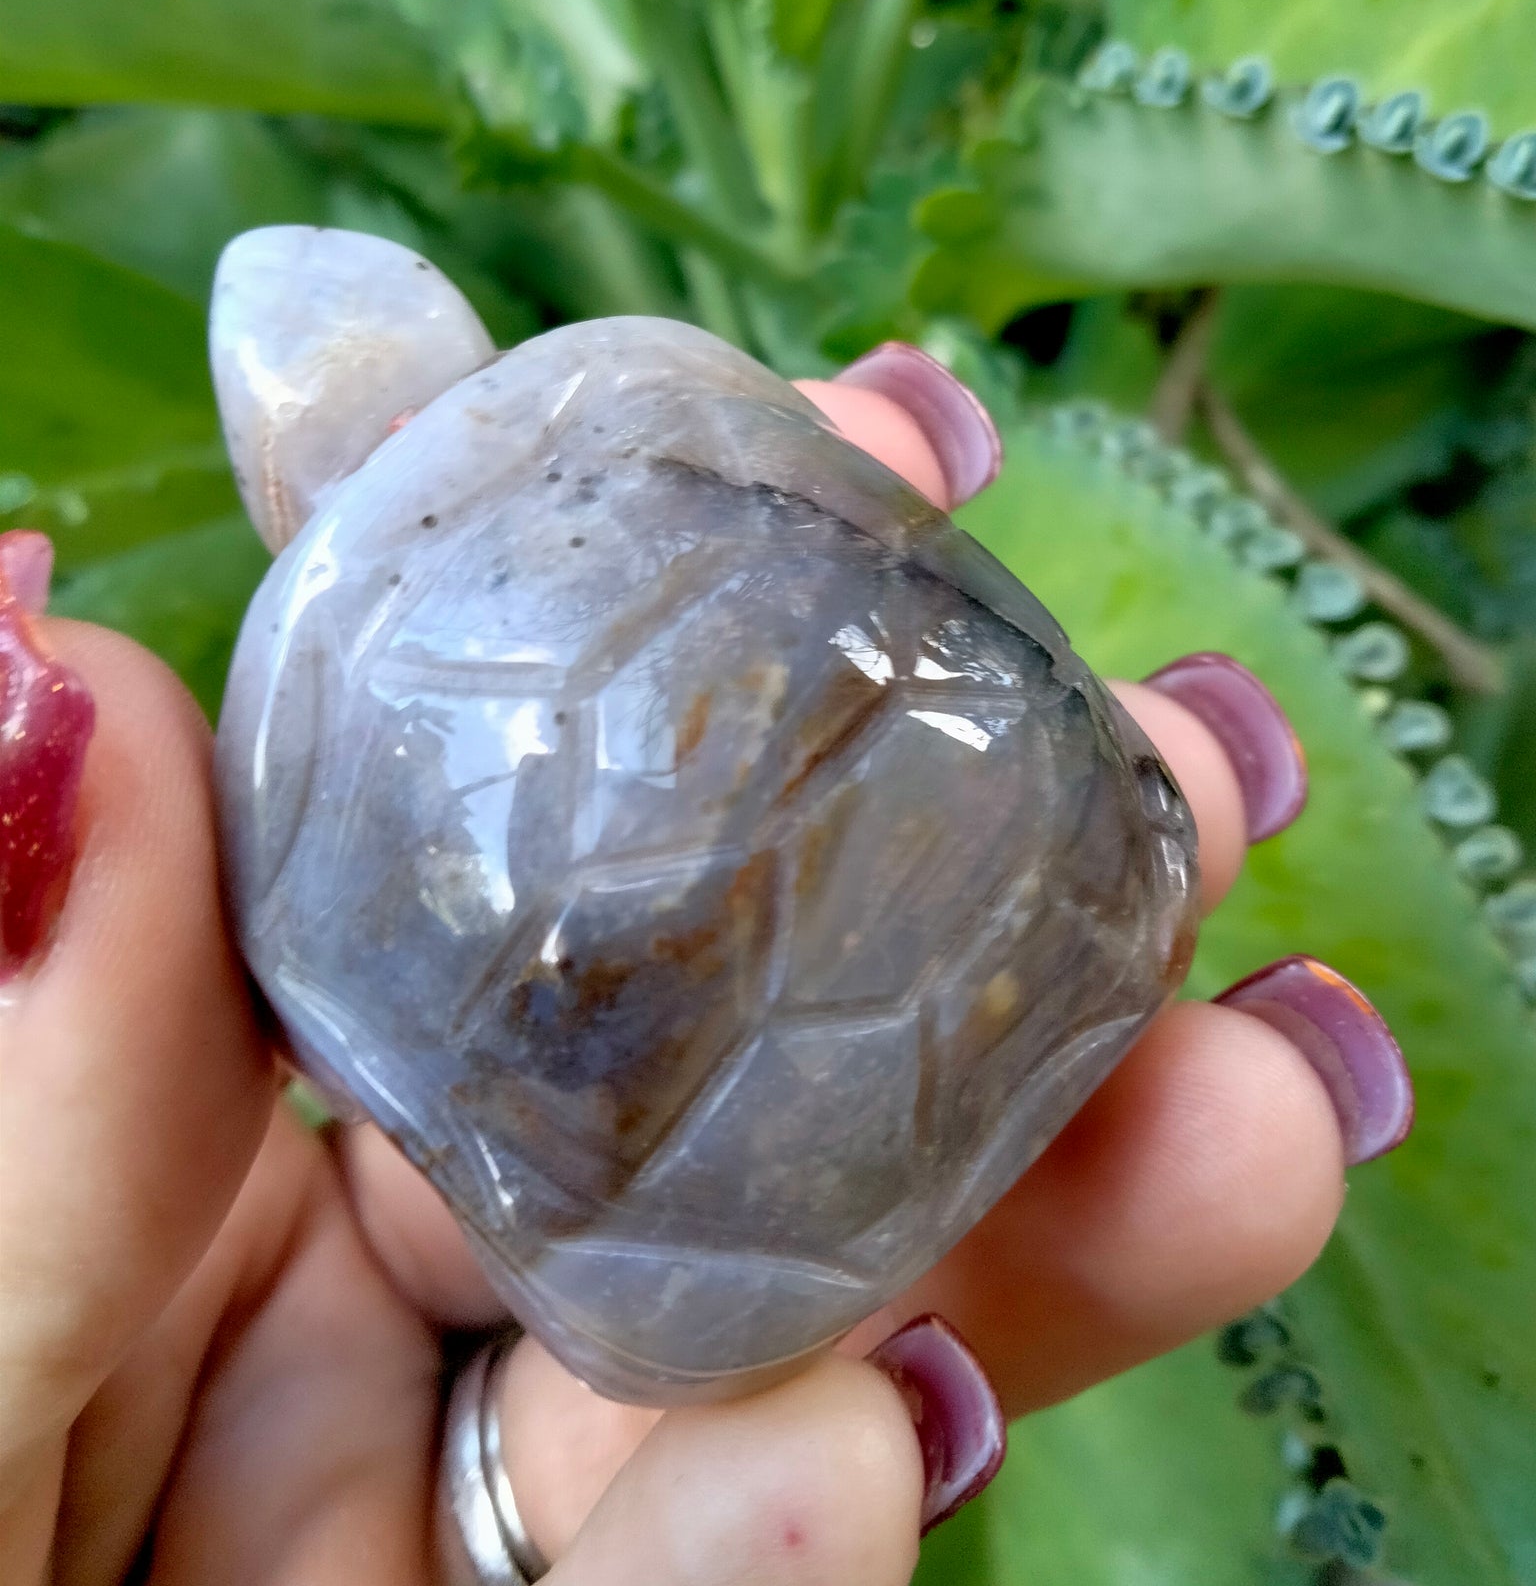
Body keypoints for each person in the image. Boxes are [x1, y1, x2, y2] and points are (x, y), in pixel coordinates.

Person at [0, 348, 1412, 1586]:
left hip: (720, 1223)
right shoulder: (624, 420)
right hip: (1059, 901)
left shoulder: (297, 745)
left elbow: (323, 1019)